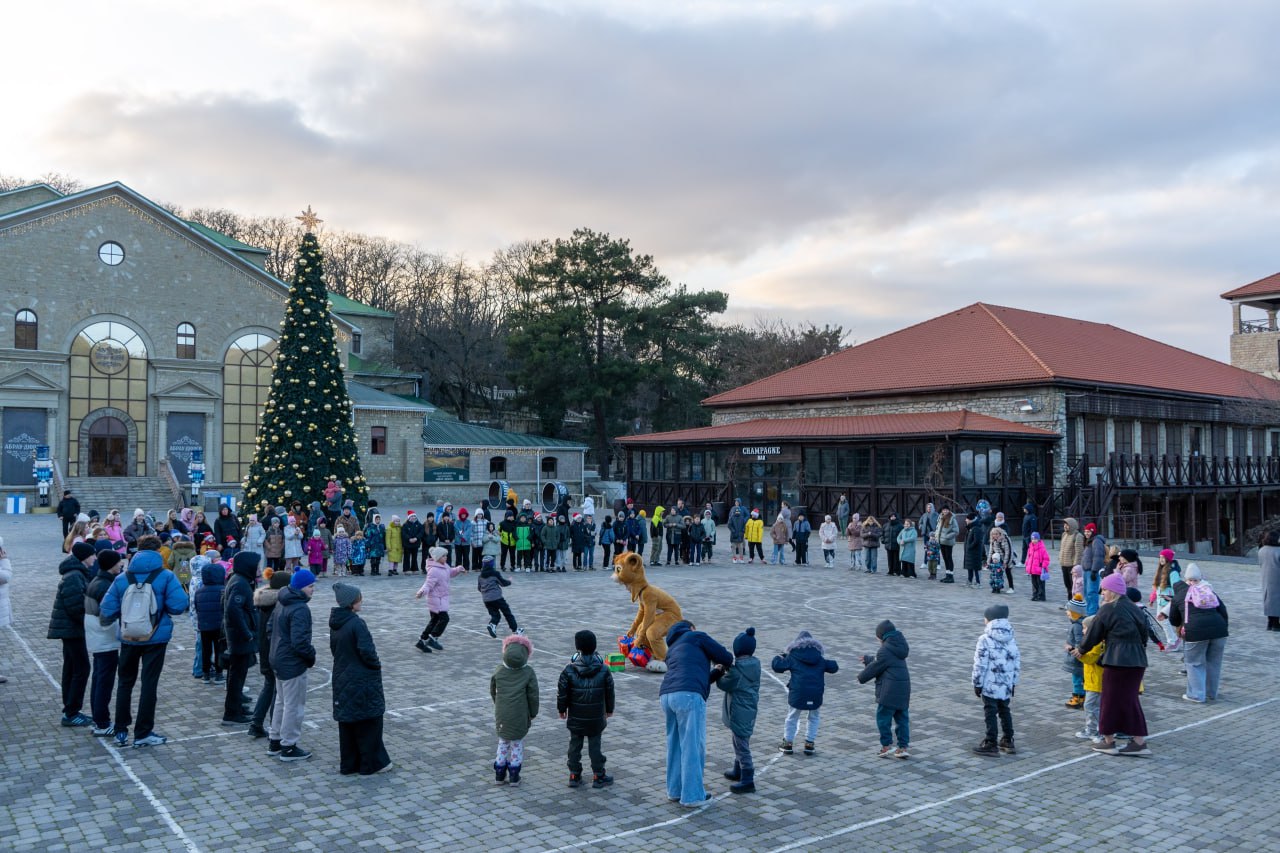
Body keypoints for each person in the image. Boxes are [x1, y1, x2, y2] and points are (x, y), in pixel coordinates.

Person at [99, 549, 190, 747]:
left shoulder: (123, 578)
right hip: (155, 638)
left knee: (124, 683)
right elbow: (178, 605)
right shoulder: (165, 576)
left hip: (129, 637)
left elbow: (106, 609)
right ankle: (143, 732)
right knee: (149, 684)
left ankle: (121, 730)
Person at [1074, 572, 1156, 756]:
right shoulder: (1135, 608)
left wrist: (1081, 649)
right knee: (1130, 701)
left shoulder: (1107, 609)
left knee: (1109, 701)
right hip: (1138, 661)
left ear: (1112, 591)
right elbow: (1145, 634)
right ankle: (1139, 742)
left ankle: (1109, 741)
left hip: (1117, 661)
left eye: (1104, 590)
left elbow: (1094, 633)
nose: (1102, 593)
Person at [660, 620, 734, 808]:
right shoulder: (696, 636)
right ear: (691, 628)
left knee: (675, 744)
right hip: (688, 697)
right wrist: (720, 665)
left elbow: (694, 676)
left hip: (667, 695)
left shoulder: (673, 648)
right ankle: (692, 795)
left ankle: (675, 791)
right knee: (692, 745)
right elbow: (726, 656)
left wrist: (715, 672)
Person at [330, 583, 392, 776]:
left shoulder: (336, 622)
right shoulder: (356, 623)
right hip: (361, 677)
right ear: (352, 602)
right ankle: (372, 763)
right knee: (369, 720)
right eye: (359, 598)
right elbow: (367, 651)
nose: (361, 600)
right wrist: (376, 665)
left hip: (342, 675)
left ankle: (349, 764)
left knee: (348, 721)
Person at [268, 568, 318, 761]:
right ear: (300, 587)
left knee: (281, 701)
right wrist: (310, 657)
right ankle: (288, 745)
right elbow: (300, 642)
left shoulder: (283, 600)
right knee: (293, 705)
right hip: (291, 661)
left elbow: (271, 629)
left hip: (278, 657)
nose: (313, 590)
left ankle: (275, 739)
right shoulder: (300, 608)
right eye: (310, 586)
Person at [557, 629, 615, 789]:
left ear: (578, 648)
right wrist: (609, 709)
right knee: (595, 745)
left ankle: (574, 774)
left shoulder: (569, 669)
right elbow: (610, 692)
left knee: (575, 745)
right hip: (596, 717)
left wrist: (562, 709)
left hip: (576, 716)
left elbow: (562, 692)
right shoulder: (604, 669)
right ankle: (598, 775)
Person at [48, 541, 96, 727]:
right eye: (92, 555)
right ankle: (71, 711)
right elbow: (75, 606)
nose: (95, 558)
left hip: (71, 629)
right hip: (72, 630)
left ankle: (70, 708)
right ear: (85, 557)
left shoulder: (77, 573)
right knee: (81, 669)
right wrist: (90, 621)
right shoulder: (74, 576)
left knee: (72, 668)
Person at [1167, 564, 1229, 703]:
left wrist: (1181, 626)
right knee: (1214, 663)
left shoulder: (1179, 596)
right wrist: (1223, 627)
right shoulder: (1209, 591)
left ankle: (1196, 695)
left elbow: (1173, 619)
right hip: (1219, 631)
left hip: (1195, 632)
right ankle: (1211, 693)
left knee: (1194, 663)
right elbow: (1223, 611)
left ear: (1185, 579)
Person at [772, 630, 839, 756]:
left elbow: (777, 666)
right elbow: (834, 667)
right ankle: (809, 744)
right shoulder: (819, 658)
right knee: (814, 717)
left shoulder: (792, 657)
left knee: (792, 717)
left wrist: (780, 656)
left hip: (798, 693)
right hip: (816, 694)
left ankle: (788, 743)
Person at [713, 626, 760, 794]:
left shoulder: (739, 671)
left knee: (741, 744)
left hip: (740, 712)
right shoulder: (754, 665)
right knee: (739, 740)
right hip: (748, 710)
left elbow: (724, 683)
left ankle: (748, 778)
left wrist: (718, 671)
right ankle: (738, 769)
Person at [971, 603, 1020, 756]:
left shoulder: (985, 639)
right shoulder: (1011, 638)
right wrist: (1013, 682)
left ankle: (991, 741)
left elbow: (980, 663)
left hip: (990, 683)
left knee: (990, 711)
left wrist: (977, 683)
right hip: (1005, 683)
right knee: (1004, 709)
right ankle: (1008, 739)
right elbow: (1016, 662)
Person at [83, 549, 123, 735]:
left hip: (97, 637)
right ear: (111, 565)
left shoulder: (98, 580)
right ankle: (102, 722)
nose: (121, 564)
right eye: (118, 562)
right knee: (104, 681)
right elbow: (107, 614)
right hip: (104, 637)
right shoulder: (104, 585)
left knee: (99, 677)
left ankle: (99, 719)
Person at [857, 620, 910, 759]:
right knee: (902, 719)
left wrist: (861, 677)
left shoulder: (885, 650)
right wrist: (869, 659)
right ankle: (903, 747)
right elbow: (883, 661)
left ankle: (886, 745)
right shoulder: (899, 646)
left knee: (883, 718)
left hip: (889, 692)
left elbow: (876, 667)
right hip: (903, 689)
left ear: (882, 636)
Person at [491, 634, 539, 787]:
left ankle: (499, 774)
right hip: (520, 714)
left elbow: (493, 691)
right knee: (517, 743)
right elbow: (533, 695)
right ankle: (514, 775)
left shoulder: (499, 671)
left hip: (502, 714)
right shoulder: (528, 672)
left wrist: (498, 704)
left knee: (503, 742)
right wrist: (533, 712)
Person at [249, 569, 290, 739]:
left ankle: (256, 723)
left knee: (269, 686)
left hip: (265, 650)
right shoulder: (277, 603)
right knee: (277, 691)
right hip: (273, 651)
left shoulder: (264, 601)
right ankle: (275, 725)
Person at [221, 551, 258, 726]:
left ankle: (236, 706)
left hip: (237, 634)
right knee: (237, 674)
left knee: (237, 673)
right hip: (239, 636)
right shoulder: (240, 583)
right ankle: (231, 712)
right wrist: (247, 633)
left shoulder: (238, 580)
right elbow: (233, 609)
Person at [415, 546, 465, 652]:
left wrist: (458, 569)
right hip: (436, 599)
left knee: (434, 621)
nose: (446, 557)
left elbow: (450, 572)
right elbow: (428, 584)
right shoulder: (434, 570)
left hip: (441, 598)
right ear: (437, 558)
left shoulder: (444, 566)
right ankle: (432, 638)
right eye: (444, 556)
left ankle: (422, 641)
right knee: (444, 619)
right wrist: (421, 592)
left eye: (446, 555)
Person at [194, 559, 227, 685]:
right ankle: (219, 674)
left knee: (206, 650)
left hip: (204, 625)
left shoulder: (199, 591)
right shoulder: (224, 590)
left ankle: (206, 674)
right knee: (219, 649)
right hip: (220, 626)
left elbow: (197, 608)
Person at [1074, 614, 1105, 743]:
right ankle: (1095, 729)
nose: (1083, 630)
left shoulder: (1097, 643)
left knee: (1090, 705)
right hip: (1092, 679)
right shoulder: (1097, 641)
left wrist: (1077, 653)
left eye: (1085, 628)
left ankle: (1093, 731)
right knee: (1094, 705)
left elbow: (1090, 658)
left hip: (1096, 681)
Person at [478, 556, 519, 638]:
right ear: (491, 564)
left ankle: (492, 625)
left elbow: (479, 588)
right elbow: (503, 583)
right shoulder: (495, 573)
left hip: (486, 600)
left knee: (495, 615)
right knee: (507, 613)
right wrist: (509, 581)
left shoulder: (480, 576)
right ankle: (515, 630)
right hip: (497, 598)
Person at [1063, 596, 1086, 708]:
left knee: (1077, 679)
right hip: (1078, 659)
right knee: (1080, 678)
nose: (1067, 613)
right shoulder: (1078, 624)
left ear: (1075, 613)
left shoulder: (1077, 626)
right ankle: (1082, 697)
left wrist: (1070, 648)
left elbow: (1079, 643)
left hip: (1076, 659)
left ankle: (1078, 699)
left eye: (1069, 611)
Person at [1080, 523, 1107, 615]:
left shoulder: (1096, 541)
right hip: (1086, 570)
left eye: (1088, 531)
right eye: (1085, 531)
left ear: (1093, 531)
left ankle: (1092, 613)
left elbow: (1098, 557)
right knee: (1087, 592)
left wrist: (1094, 570)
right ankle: (1093, 610)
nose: (1086, 533)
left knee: (1092, 592)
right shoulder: (1089, 541)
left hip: (1092, 571)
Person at [1059, 517, 1084, 600]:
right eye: (1064, 524)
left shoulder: (1078, 536)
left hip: (1072, 565)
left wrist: (1076, 565)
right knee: (1067, 585)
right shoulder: (1064, 534)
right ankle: (1069, 601)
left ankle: (1075, 602)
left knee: (1074, 585)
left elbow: (1079, 552)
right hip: (1064, 564)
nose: (1065, 526)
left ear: (1072, 525)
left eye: (1067, 525)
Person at [1260, 532, 1280, 632]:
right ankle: (1276, 624)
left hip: (1266, 577)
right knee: (1277, 601)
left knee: (1268, 599)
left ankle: (1270, 623)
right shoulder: (1278, 550)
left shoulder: (1262, 550)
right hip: (1277, 578)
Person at [987, 525, 1013, 594]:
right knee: (996, 574)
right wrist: (988, 561)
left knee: (1008, 572)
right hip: (997, 559)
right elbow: (991, 551)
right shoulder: (992, 541)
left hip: (1006, 558)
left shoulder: (1005, 539)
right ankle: (997, 587)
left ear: (1000, 533)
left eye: (996, 534)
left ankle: (1011, 587)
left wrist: (1006, 563)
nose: (995, 535)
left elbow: (1009, 551)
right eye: (993, 534)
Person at [1025, 532, 1050, 601]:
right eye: (1032, 539)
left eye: (1035, 539)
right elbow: (1029, 558)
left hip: (1039, 570)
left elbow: (1046, 559)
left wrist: (1043, 565)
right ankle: (1035, 594)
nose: (1034, 540)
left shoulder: (1042, 548)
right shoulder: (1030, 548)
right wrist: (1027, 565)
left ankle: (1041, 596)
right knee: (1034, 583)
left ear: (1038, 539)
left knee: (1040, 583)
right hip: (1032, 570)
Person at [963, 512, 984, 588]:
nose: (965, 520)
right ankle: (969, 581)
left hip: (974, 552)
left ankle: (978, 583)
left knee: (976, 568)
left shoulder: (976, 528)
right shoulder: (970, 528)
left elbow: (976, 540)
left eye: (967, 519)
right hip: (970, 552)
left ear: (971, 520)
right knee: (970, 567)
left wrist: (969, 547)